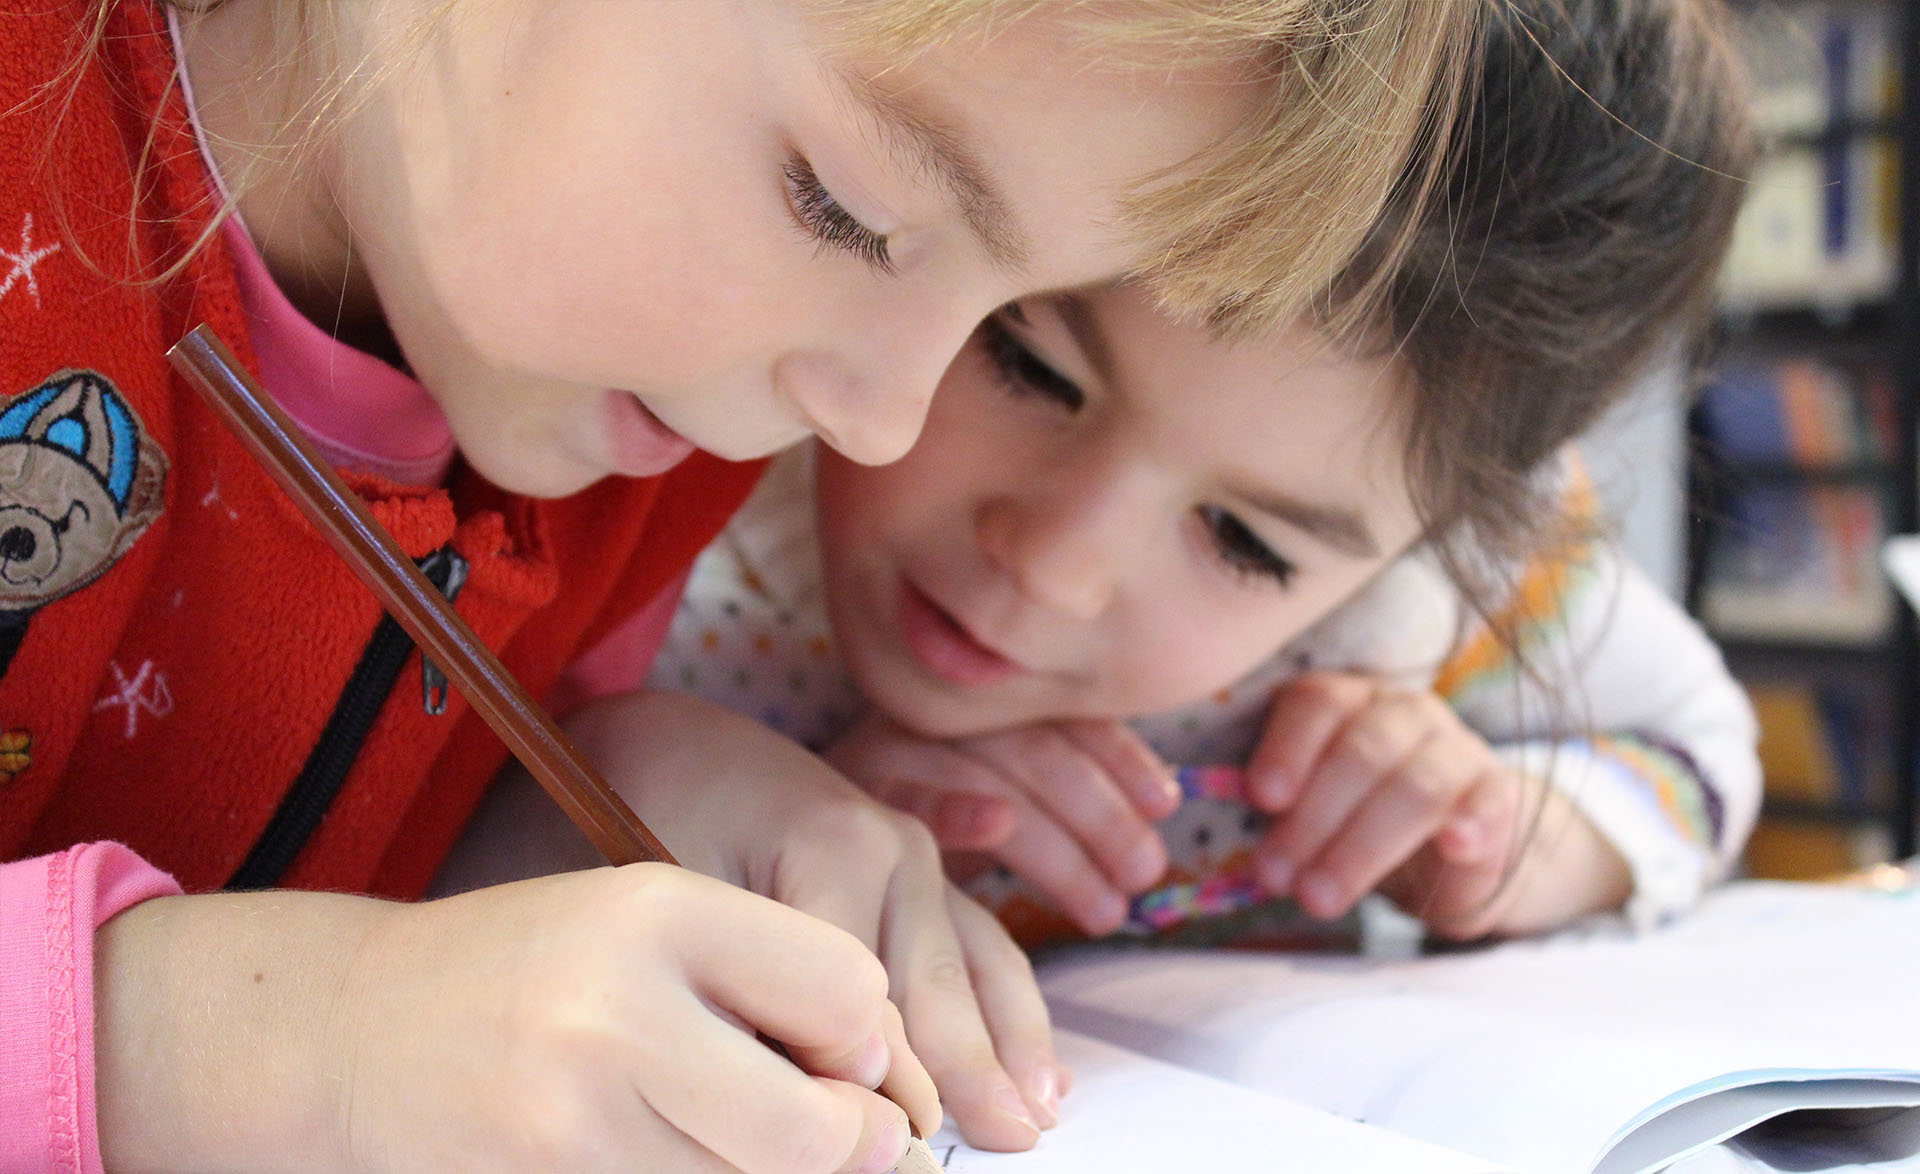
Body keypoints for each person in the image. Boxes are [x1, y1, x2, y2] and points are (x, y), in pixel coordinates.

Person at [0, 1, 1482, 1171]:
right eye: (846, 209)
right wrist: (288, 1046)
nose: (881, 420)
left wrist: (615, 790)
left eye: (1002, 311)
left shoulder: (641, 422)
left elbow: (359, 852)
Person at [589, 0, 1763, 950]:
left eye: (1247, 543)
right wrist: (745, 824)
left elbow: (1700, 748)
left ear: (1436, 536)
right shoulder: (685, 448)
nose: (1054, 565)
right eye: (1030, 367)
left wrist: (1520, 838)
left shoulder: (1440, 599)